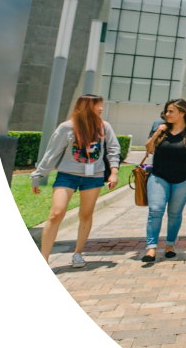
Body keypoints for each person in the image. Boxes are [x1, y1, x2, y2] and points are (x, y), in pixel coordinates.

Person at [30, 94, 121, 266]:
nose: (101, 108)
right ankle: (44, 259)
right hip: (67, 175)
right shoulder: (67, 128)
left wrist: (114, 172)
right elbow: (52, 153)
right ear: (86, 107)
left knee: (86, 214)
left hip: (93, 177)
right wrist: (38, 175)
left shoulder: (103, 126)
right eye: (97, 105)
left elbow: (113, 149)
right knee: (56, 213)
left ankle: (78, 253)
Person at [143, 98, 186, 263]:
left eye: (171, 111)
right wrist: (157, 132)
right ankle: (151, 248)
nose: (167, 114)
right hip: (159, 176)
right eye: (166, 111)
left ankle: (169, 246)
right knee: (155, 210)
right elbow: (149, 149)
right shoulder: (160, 127)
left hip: (184, 178)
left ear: (182, 113)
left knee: (174, 213)